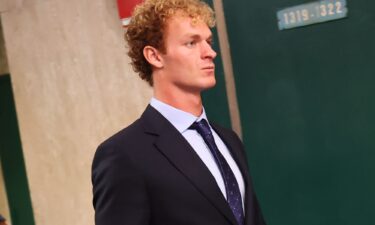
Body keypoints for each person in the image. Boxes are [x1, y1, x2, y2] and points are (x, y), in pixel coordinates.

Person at [91, 0, 266, 225]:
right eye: (191, 43)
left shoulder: (229, 141)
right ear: (154, 56)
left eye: (209, 41)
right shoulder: (123, 154)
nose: (210, 52)